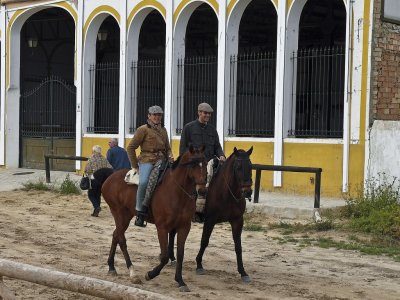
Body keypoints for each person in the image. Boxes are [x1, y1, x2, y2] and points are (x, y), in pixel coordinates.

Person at [127, 105, 173, 227]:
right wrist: (134, 165)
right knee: (143, 182)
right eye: (155, 115)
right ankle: (139, 211)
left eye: (159, 115)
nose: (157, 117)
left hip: (162, 161)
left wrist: (170, 155)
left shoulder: (164, 130)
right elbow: (131, 147)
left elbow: (168, 148)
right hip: (147, 160)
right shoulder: (143, 129)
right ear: (149, 116)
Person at [179, 102, 226, 222]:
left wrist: (221, 155)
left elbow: (217, 146)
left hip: (209, 163)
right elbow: (183, 148)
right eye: (205, 113)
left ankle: (212, 211)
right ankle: (193, 212)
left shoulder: (212, 130)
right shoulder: (188, 127)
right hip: (194, 164)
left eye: (209, 114)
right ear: (199, 112)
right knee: (194, 187)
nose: (207, 115)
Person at [85, 145, 112, 217]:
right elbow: (110, 168)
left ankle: (97, 207)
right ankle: (96, 211)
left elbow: (87, 170)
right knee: (98, 194)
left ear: (93, 151)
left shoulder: (91, 159)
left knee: (91, 194)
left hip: (94, 179)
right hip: (103, 181)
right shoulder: (104, 159)